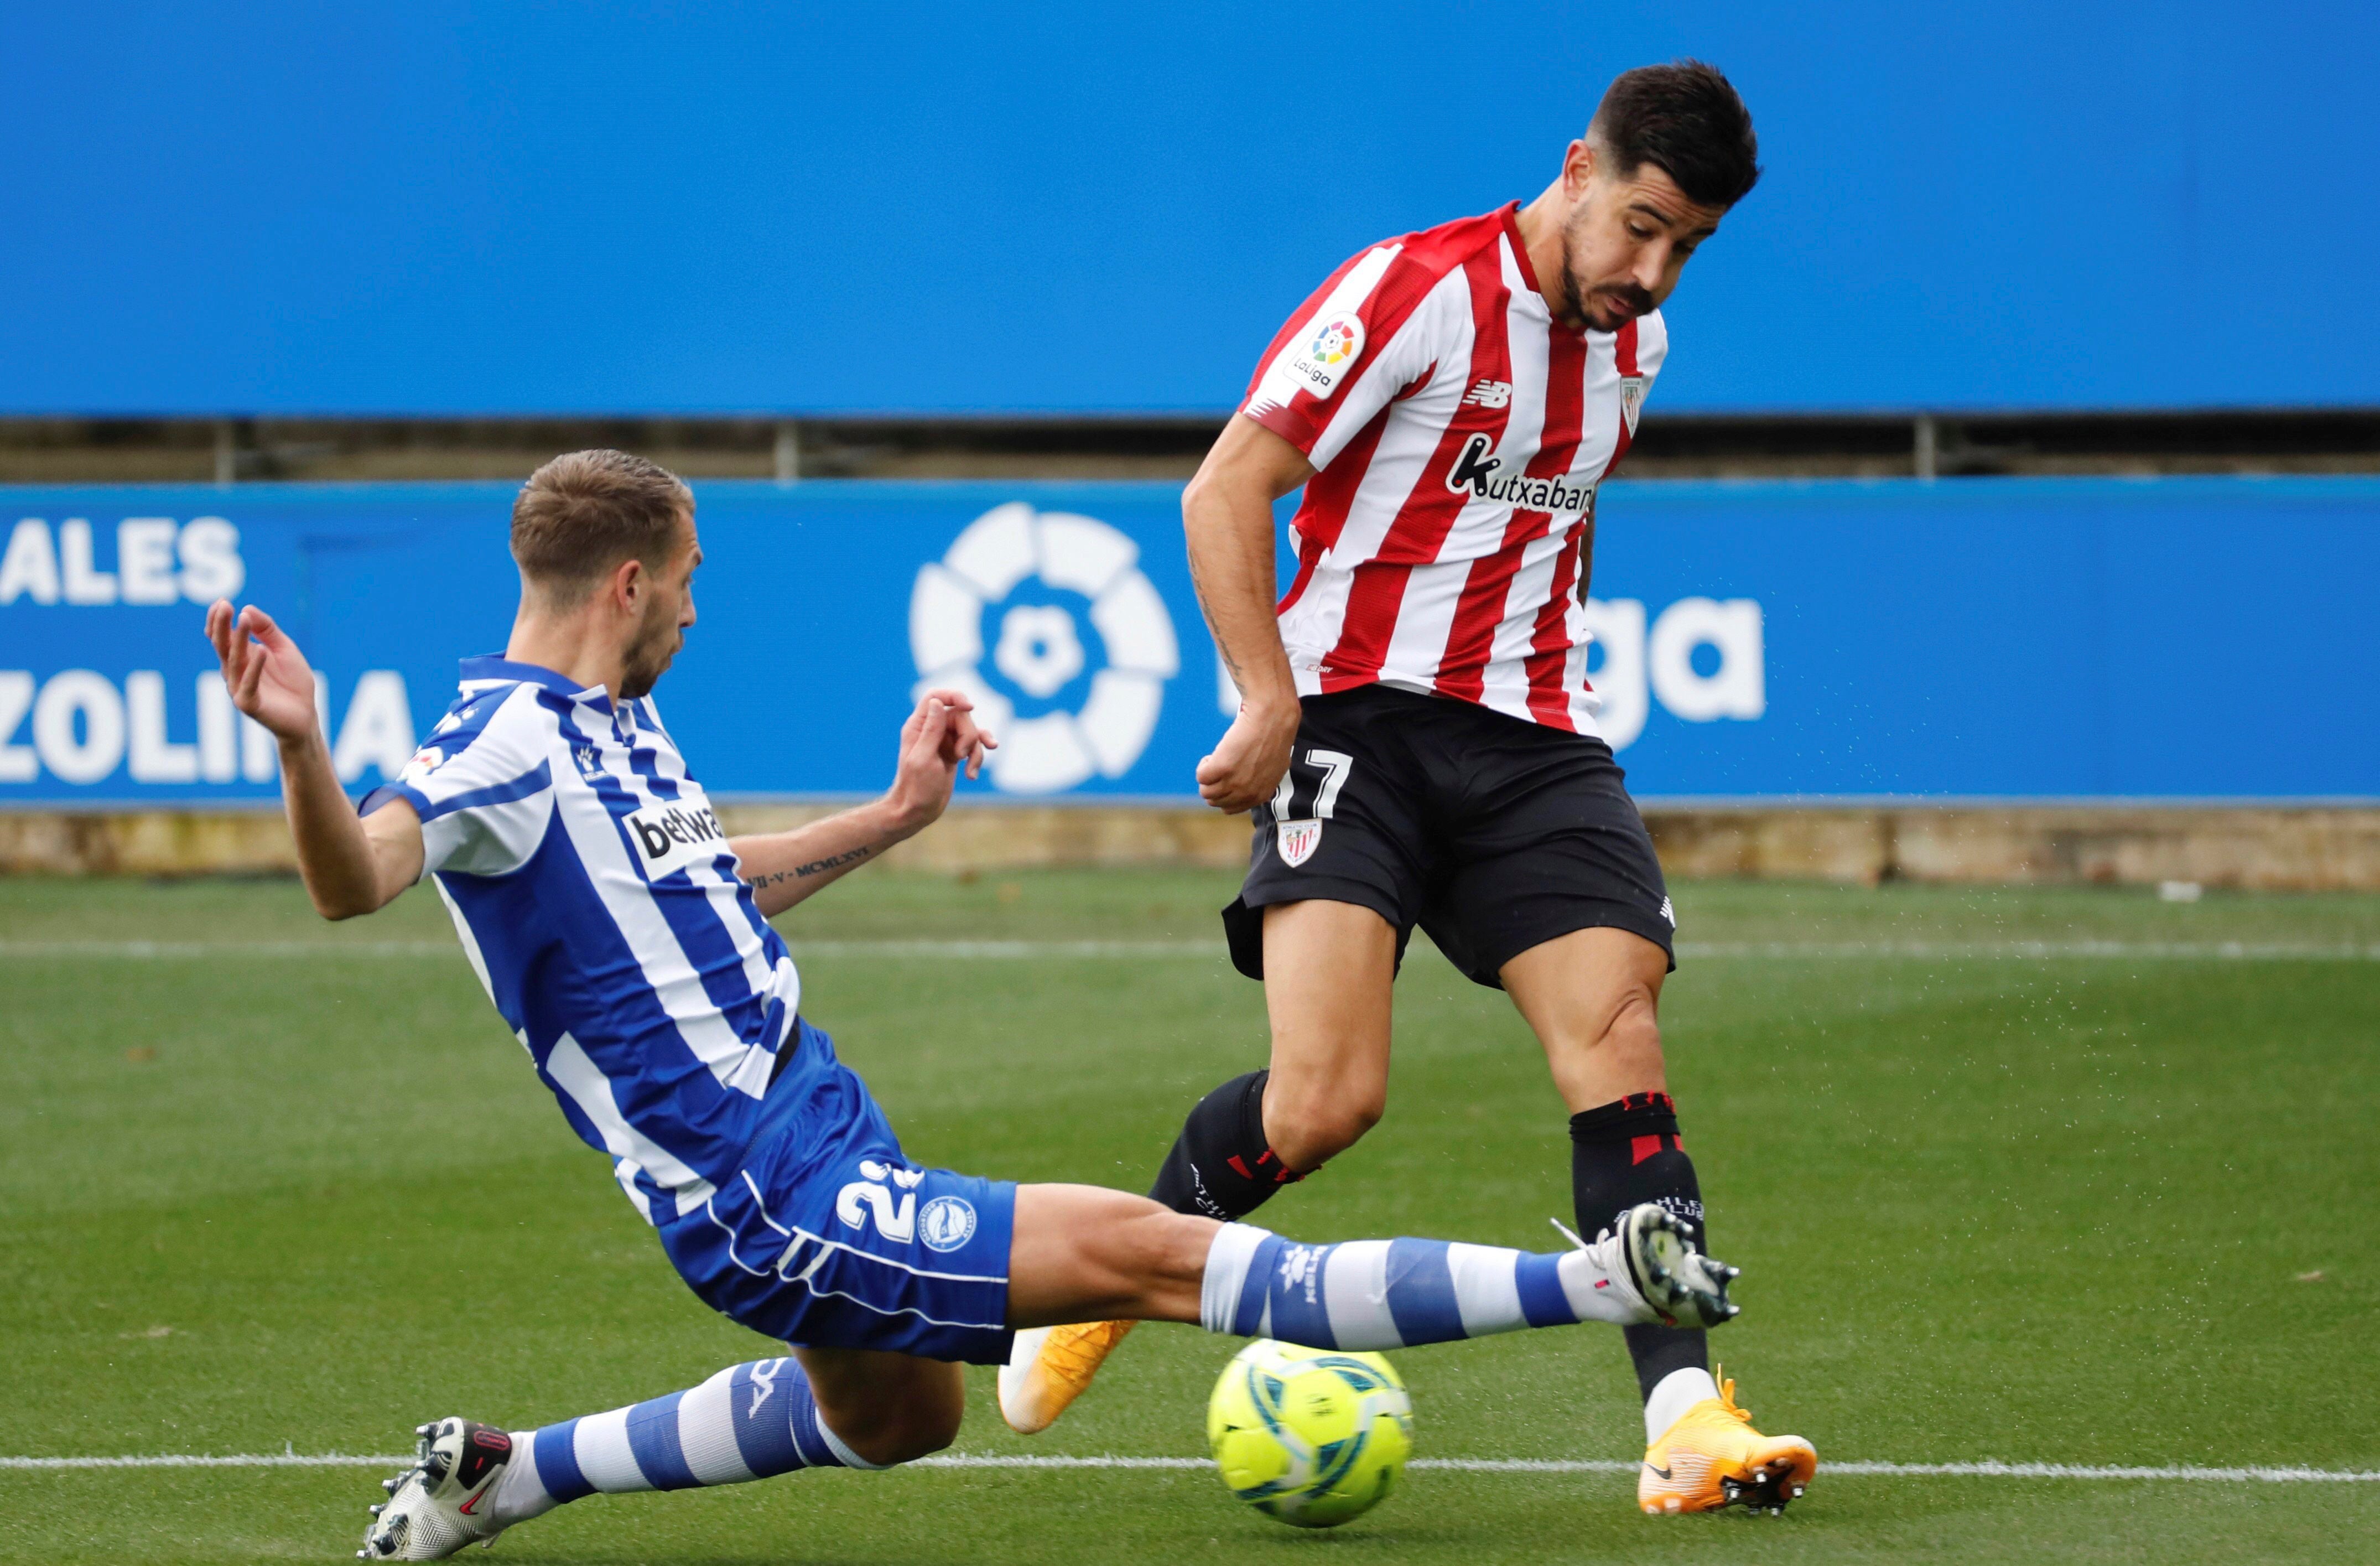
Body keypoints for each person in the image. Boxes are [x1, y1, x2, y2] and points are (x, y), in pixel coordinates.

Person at [203, 449, 1747, 1562]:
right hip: (759, 1193)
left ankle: (507, 1475)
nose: (692, 612)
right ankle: (1613, 1281)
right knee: (1158, 1262)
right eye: (684, 586)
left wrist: (894, 815)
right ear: (627, 582)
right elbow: (360, 876)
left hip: (815, 1118)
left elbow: (702, 884)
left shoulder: (615, 727)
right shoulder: (491, 752)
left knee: (904, 1426)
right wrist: (300, 754)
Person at [997, 61, 1816, 1517]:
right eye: (1639, 225)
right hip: (1353, 727)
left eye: (1687, 245)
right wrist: (1268, 697)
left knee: (1620, 1033)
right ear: (1578, 166)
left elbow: (1537, 539)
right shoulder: (1414, 290)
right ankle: (1117, 1274)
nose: (1654, 269)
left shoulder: (1638, 350)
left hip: (1531, 740)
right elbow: (1226, 487)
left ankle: (1686, 1418)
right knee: (1322, 1104)